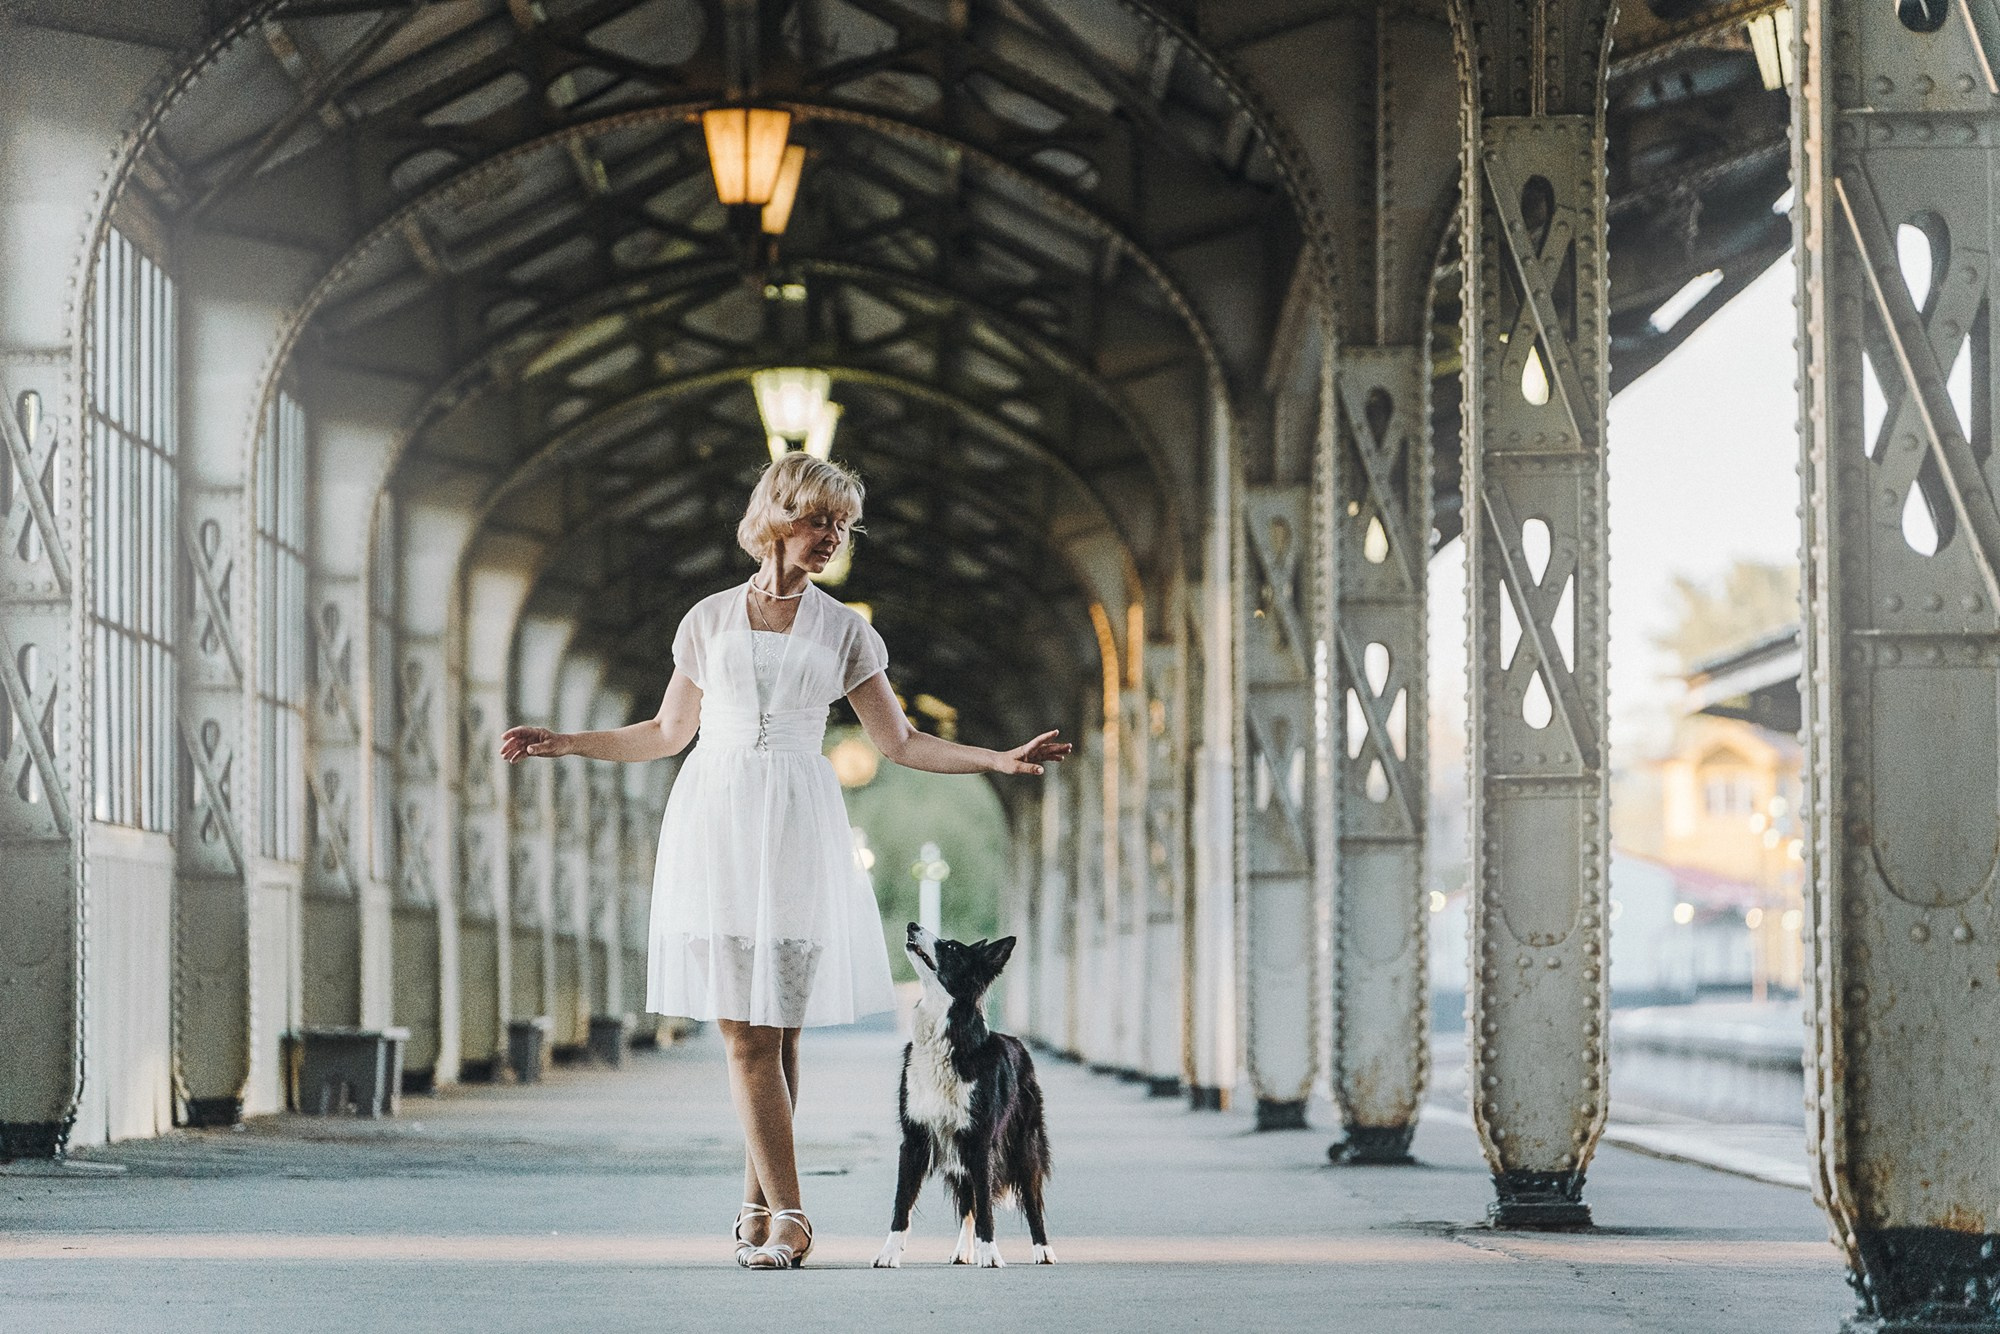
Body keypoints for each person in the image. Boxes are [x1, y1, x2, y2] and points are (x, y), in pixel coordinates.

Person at [500, 452, 1070, 1269]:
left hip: (798, 821)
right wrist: (566, 742)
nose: (833, 537)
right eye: (819, 520)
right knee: (749, 1034)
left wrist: (996, 758)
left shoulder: (845, 629)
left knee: (773, 1033)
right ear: (777, 515)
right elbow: (665, 734)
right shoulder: (705, 620)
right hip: (717, 820)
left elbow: (900, 742)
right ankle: (767, 1211)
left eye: (842, 525)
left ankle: (786, 1217)